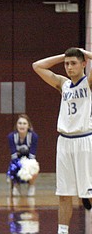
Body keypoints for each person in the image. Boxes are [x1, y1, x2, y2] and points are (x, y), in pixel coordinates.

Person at [32, 47, 92, 234]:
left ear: (84, 64)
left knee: (89, 192)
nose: (69, 67)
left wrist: (85, 53)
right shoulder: (63, 83)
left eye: (73, 63)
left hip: (84, 140)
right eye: (67, 64)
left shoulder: (88, 82)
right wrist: (63, 57)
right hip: (64, 141)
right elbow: (37, 66)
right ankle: (62, 231)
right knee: (64, 193)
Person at [7, 114, 39, 197]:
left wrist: (27, 166)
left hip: (29, 160)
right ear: (16, 125)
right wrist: (19, 166)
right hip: (17, 160)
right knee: (13, 166)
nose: (22, 126)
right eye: (20, 123)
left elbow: (32, 156)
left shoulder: (33, 137)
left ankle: (31, 186)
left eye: (24, 123)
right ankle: (16, 185)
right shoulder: (11, 137)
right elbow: (13, 155)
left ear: (28, 125)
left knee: (34, 166)